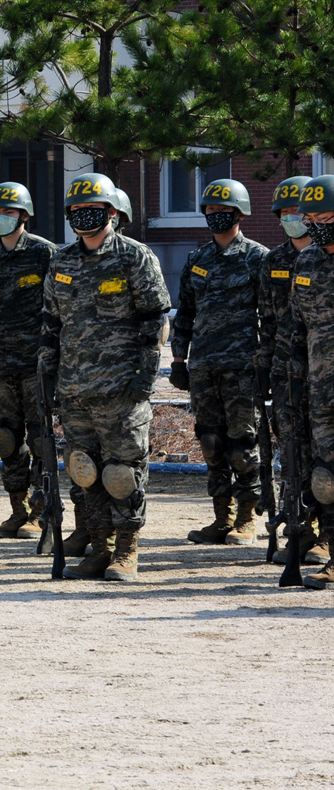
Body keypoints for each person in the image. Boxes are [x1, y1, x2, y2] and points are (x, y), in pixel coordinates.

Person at [40, 173, 171, 583]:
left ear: (112, 212)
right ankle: (99, 548)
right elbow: (50, 324)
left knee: (122, 472)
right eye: (77, 210)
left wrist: (144, 382)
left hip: (122, 390)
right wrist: (47, 375)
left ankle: (127, 552)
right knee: (85, 472)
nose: (84, 216)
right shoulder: (61, 261)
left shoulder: (135, 257)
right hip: (74, 390)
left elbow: (154, 323)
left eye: (93, 208)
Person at [170, 179, 270, 548]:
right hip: (204, 365)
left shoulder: (258, 258)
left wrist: (266, 363)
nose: (215, 216)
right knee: (211, 443)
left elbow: (270, 314)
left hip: (242, 366)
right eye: (210, 210)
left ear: (240, 213)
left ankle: (247, 520)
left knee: (242, 444)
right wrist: (179, 359)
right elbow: (185, 314)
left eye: (222, 210)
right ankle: (221, 518)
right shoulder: (197, 260)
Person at [0, 182, 58, 542]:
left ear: (24, 215)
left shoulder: (45, 254)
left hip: (37, 363)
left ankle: (40, 510)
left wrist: (56, 357)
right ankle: (17, 509)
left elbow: (57, 309)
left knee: (40, 439)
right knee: (6, 438)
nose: (0, 218)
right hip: (2, 364)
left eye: (7, 212)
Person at [259, 176, 322, 565]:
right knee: (293, 454)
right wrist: (265, 368)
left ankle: (326, 538)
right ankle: (301, 532)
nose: (293, 218)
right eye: (285, 213)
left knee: (324, 457)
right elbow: (267, 320)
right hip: (286, 373)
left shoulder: (322, 256)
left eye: (300, 212)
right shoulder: (274, 261)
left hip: (320, 371)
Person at [291, 175, 334, 589]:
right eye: (311, 218)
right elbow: (297, 330)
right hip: (321, 390)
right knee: (327, 477)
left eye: (324, 216)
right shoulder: (307, 262)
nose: (315, 224)